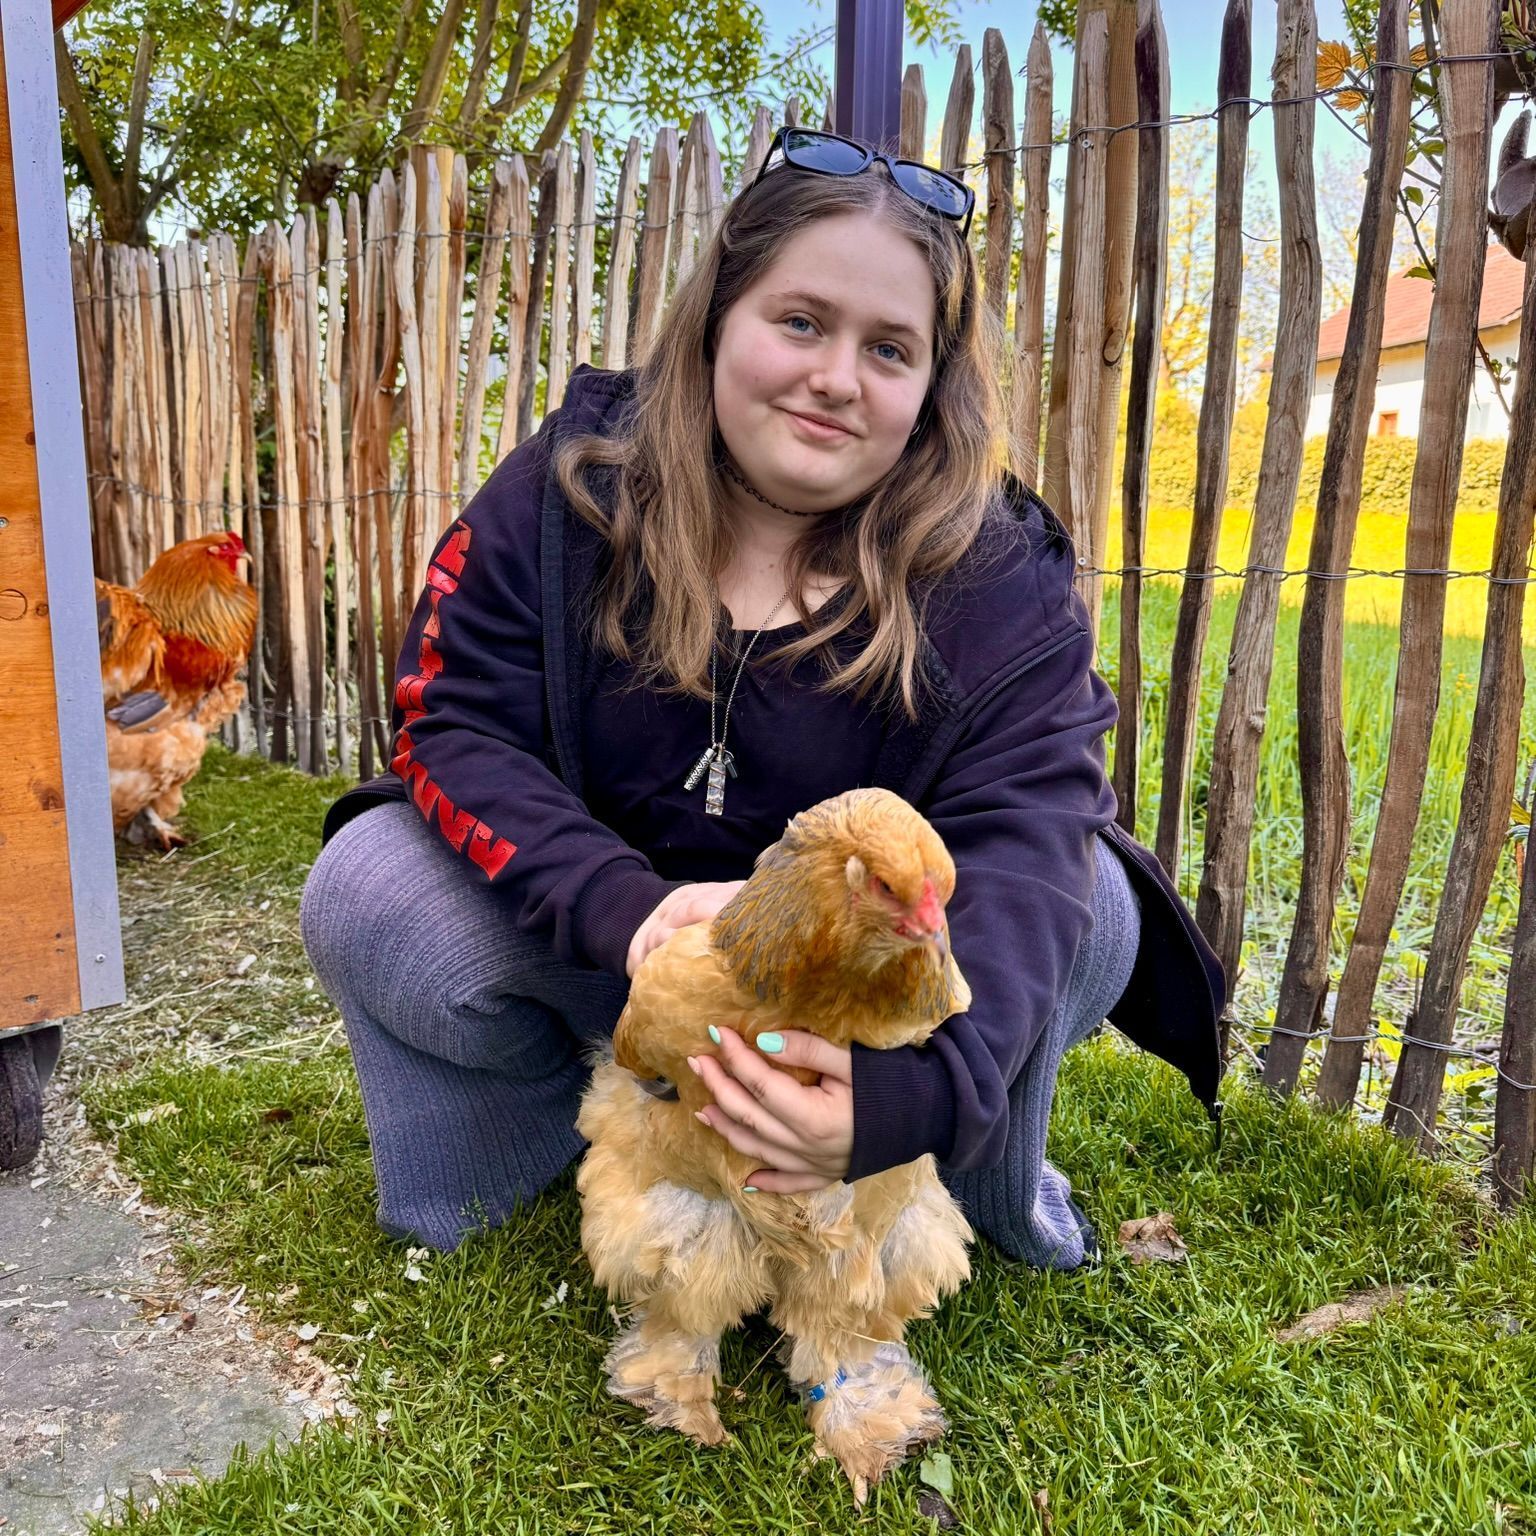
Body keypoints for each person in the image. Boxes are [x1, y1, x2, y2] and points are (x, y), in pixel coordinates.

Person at [301, 127, 1224, 1268]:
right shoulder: (570, 489)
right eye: (801, 322)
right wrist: (622, 906)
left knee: (1091, 902)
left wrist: (903, 1095)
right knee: (370, 880)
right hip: (618, 964)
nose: (837, 377)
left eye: (890, 349)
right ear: (717, 322)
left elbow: (1028, 831)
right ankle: (521, 1167)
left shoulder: (999, 575)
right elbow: (453, 719)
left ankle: (963, 1175)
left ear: (933, 386)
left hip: (865, 1002)